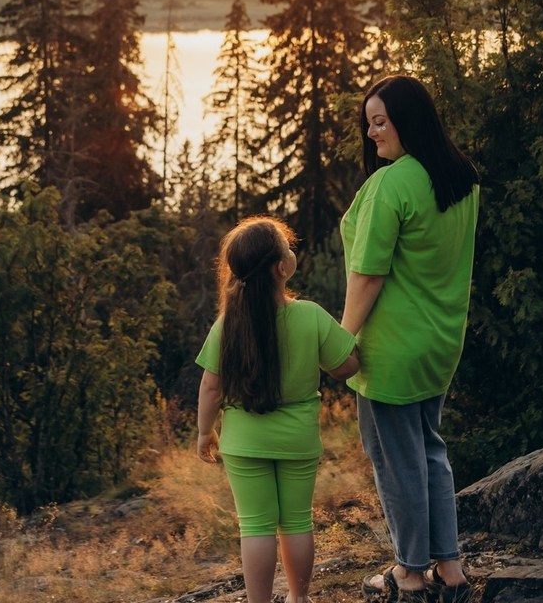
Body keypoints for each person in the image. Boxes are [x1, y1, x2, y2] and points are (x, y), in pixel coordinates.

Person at [341, 75, 480, 603]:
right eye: (369, 122)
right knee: (428, 451)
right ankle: (451, 569)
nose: (373, 133)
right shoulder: (460, 177)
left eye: (381, 121)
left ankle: (411, 573)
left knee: (397, 460)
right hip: (441, 341)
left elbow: (368, 275)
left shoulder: (392, 184)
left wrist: (340, 340)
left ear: (409, 120)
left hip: (393, 347)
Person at [196, 216, 360, 603]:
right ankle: (299, 599)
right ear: (280, 267)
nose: (292, 252)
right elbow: (347, 366)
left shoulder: (228, 324)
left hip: (243, 442)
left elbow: (211, 385)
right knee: (297, 522)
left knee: (255, 527)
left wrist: (205, 432)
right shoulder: (311, 316)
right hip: (298, 440)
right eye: (288, 247)